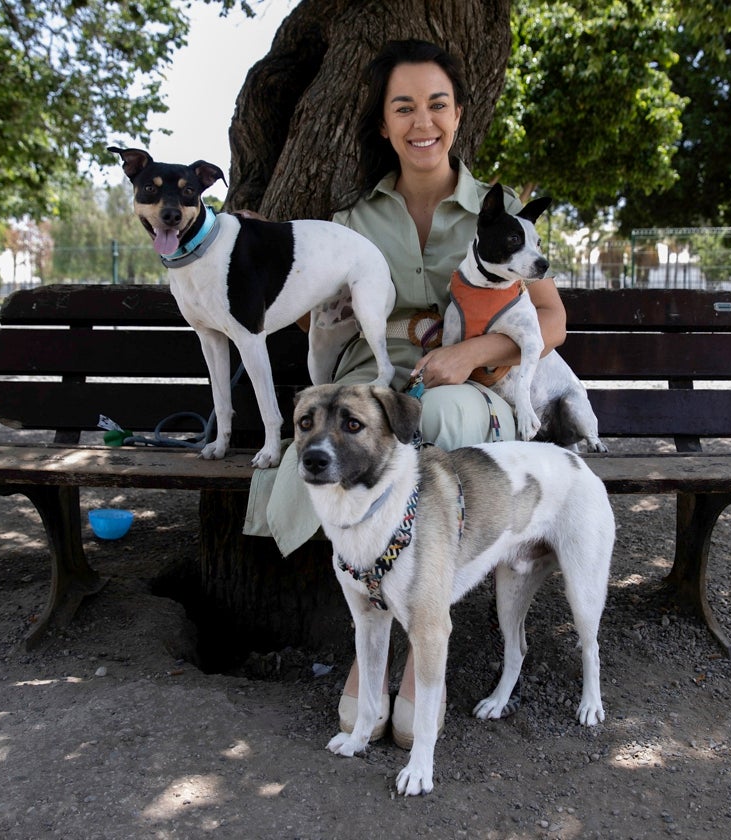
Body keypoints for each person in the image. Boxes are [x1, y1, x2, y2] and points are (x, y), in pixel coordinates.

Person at [241, 39, 567, 749]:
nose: (424, 121)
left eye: (438, 104)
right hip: (370, 389)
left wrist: (474, 349)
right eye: (404, 107)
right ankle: (370, 658)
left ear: (459, 114)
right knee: (346, 430)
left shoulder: (496, 212)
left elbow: (551, 318)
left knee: (442, 413)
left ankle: (428, 650)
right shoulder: (354, 221)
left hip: (468, 391)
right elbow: (311, 312)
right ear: (384, 125)